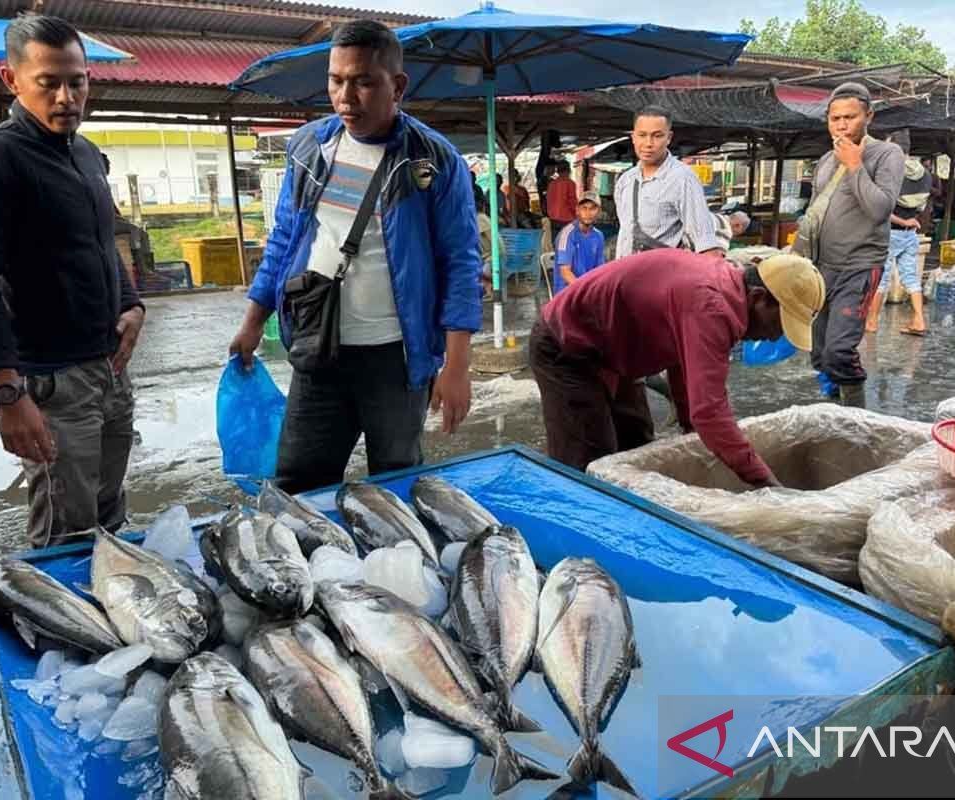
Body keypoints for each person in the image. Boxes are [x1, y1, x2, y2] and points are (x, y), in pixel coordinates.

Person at [229, 20, 481, 494]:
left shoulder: (433, 160)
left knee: (396, 482)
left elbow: (461, 262)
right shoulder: (309, 148)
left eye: (363, 82)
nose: (346, 97)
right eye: (336, 80)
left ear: (397, 86)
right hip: (318, 350)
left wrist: (456, 366)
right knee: (298, 484)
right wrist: (252, 321)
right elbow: (284, 239)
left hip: (397, 357)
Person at [0, 14, 145, 548]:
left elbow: (104, 243)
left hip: (109, 369)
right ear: (11, 80)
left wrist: (132, 304)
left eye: (77, 80)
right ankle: (61, 632)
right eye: (49, 82)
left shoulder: (84, 154)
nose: (66, 97)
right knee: (68, 531)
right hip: (53, 383)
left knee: (110, 515)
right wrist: (8, 391)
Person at [528, 250, 824, 485]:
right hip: (567, 345)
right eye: (780, 324)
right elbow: (710, 412)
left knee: (638, 446)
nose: (775, 336)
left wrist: (689, 426)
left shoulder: (726, 290)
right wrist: (768, 486)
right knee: (590, 460)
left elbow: (685, 363)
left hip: (613, 349)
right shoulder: (713, 306)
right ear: (759, 298)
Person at [795, 82, 904, 408]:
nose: (841, 125)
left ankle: (857, 414)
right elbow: (815, 211)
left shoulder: (886, 154)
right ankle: (833, 408)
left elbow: (880, 209)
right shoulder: (827, 160)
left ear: (868, 116)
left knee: (839, 350)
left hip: (859, 264)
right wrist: (796, 257)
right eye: (834, 118)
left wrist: (855, 165)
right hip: (821, 265)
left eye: (850, 117)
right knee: (818, 353)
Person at [613, 106, 721, 258]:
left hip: (662, 277)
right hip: (626, 276)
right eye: (642, 135)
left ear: (669, 138)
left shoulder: (682, 179)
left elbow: (704, 242)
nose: (648, 143)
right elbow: (625, 232)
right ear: (633, 137)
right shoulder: (625, 180)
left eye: (657, 136)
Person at [865, 129, 932, 336]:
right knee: (911, 278)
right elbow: (921, 208)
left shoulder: (890, 172)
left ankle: (872, 322)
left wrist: (901, 219)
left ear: (892, 147)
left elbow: (881, 208)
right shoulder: (925, 175)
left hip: (890, 232)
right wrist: (908, 220)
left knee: (880, 279)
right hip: (910, 233)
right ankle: (919, 320)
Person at [553, 192, 606, 292]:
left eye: (592, 209)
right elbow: (565, 272)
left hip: (587, 290)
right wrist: (585, 290)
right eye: (584, 208)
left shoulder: (598, 236)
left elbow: (600, 268)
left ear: (599, 211)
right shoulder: (568, 235)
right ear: (577, 210)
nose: (588, 213)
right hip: (567, 293)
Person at [545, 160, 578, 233]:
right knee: (567, 242)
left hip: (553, 219)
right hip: (566, 219)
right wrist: (577, 215)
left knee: (556, 242)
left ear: (558, 171)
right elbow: (572, 202)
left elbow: (548, 201)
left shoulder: (552, 184)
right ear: (568, 170)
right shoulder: (570, 183)